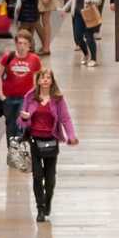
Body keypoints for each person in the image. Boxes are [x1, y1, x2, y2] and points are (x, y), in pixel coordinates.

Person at [16, 67, 78, 221]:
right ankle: (40, 209)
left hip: (51, 141)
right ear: (38, 81)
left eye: (48, 77)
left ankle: (48, 200)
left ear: (52, 81)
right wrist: (24, 118)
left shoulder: (58, 99)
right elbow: (21, 122)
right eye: (42, 77)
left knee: (50, 179)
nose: (45, 80)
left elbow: (65, 119)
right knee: (37, 176)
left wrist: (71, 136)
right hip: (35, 141)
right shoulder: (30, 97)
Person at [0, 31, 42, 142]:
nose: (22, 46)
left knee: (21, 125)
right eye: (20, 43)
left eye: (25, 43)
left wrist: (35, 95)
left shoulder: (34, 59)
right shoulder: (8, 57)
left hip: (25, 98)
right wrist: (1, 94)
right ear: (16, 44)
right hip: (9, 98)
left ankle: (21, 147)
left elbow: (38, 78)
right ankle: (12, 148)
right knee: (10, 126)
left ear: (29, 45)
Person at [70, 0, 102, 67]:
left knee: (89, 37)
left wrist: (91, 1)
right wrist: (64, 8)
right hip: (78, 15)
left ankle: (93, 59)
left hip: (88, 14)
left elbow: (99, 0)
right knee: (78, 36)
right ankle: (86, 54)